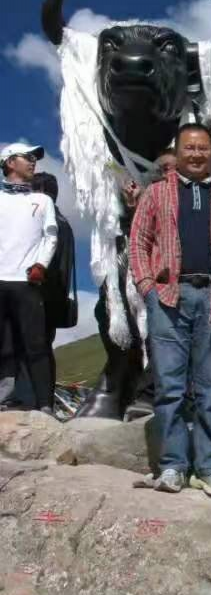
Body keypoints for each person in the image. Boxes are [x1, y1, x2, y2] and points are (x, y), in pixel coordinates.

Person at [129, 123, 211, 497]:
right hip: (169, 296)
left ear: (210, 153)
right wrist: (148, 288)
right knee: (169, 387)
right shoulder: (155, 194)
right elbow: (138, 244)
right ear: (178, 151)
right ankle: (172, 466)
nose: (196, 154)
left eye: (202, 148)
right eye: (189, 148)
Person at [0, 143, 58, 414]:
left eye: (35, 158)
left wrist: (40, 264)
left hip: (27, 280)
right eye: (28, 157)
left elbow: (51, 236)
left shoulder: (43, 200)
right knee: (3, 343)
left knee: (36, 343)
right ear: (10, 162)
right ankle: (5, 398)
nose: (34, 161)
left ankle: (45, 403)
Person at [31, 172, 77, 384]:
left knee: (26, 346)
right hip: (54, 296)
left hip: (35, 294)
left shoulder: (45, 222)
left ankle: (25, 399)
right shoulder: (64, 223)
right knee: (44, 347)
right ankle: (43, 400)